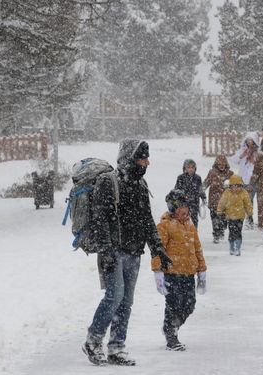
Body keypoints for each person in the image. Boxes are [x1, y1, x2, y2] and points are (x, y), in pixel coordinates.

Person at [82, 139, 173, 366]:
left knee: (126, 301)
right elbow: (101, 219)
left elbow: (146, 220)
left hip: (134, 251)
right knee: (114, 297)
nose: (147, 162)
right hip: (113, 251)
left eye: (147, 158)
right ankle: (93, 341)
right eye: (143, 158)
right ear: (130, 158)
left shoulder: (140, 185)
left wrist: (157, 248)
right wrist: (106, 250)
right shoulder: (108, 182)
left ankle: (116, 347)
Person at [153, 189, 207, 351]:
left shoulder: (190, 225)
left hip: (188, 273)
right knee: (173, 305)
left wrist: (202, 271)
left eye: (186, 206)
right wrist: (158, 272)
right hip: (172, 274)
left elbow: (197, 248)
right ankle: (171, 335)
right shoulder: (164, 225)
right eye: (181, 206)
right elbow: (158, 250)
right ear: (173, 208)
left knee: (189, 305)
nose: (185, 210)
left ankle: (171, 327)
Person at [216, 174, 253, 256]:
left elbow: (248, 203)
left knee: (238, 232)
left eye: (238, 186)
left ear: (241, 185)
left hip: (240, 217)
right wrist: (219, 210)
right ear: (230, 186)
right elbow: (222, 202)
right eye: (233, 186)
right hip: (230, 217)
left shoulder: (244, 193)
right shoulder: (227, 193)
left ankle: (238, 247)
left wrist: (249, 212)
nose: (235, 188)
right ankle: (232, 246)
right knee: (231, 232)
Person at [230, 132, 259, 228]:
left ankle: (254, 220)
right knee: (246, 200)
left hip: (254, 180)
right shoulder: (242, 150)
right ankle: (248, 219)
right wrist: (242, 155)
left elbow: (260, 164)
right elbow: (234, 161)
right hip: (243, 180)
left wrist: (254, 160)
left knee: (254, 200)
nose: (249, 142)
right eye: (248, 140)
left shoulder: (257, 152)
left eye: (251, 141)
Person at [204, 155, 234, 243]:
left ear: (226, 164)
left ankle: (221, 231)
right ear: (216, 164)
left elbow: (236, 185)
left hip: (225, 202)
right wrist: (201, 190)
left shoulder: (230, 174)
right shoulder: (212, 172)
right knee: (215, 220)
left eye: (223, 164)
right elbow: (206, 182)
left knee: (224, 221)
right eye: (219, 164)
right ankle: (216, 235)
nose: (221, 166)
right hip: (214, 201)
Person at [174, 159, 206, 228]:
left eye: (192, 167)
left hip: (194, 203)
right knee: (183, 221)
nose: (191, 169)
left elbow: (200, 189)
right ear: (185, 168)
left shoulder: (197, 178)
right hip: (183, 204)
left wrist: (203, 197)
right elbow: (176, 190)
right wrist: (180, 196)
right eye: (188, 167)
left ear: (195, 168)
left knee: (194, 222)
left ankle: (194, 236)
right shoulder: (181, 178)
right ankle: (185, 237)